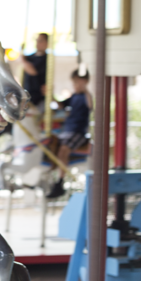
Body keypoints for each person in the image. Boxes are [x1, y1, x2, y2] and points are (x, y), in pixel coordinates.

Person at [47, 70, 92, 199]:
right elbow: (61, 105)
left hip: (78, 131)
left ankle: (60, 182)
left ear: (84, 82)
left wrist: (86, 90)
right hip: (66, 131)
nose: (75, 85)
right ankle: (50, 177)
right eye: (74, 83)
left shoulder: (85, 96)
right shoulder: (74, 96)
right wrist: (51, 95)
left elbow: (90, 106)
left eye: (78, 82)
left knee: (63, 149)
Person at [21, 33, 49, 112]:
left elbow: (32, 71)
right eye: (37, 41)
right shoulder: (30, 57)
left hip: (38, 97)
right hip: (27, 94)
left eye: (41, 41)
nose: (38, 43)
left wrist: (22, 60)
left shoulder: (46, 59)